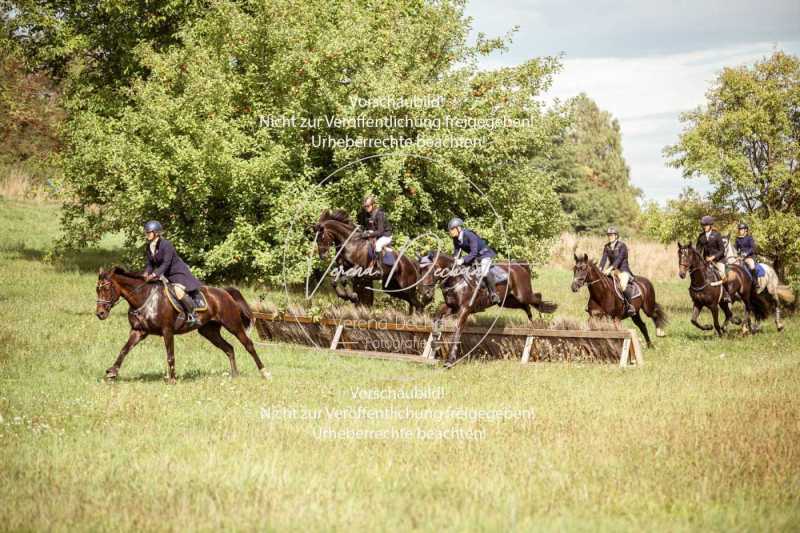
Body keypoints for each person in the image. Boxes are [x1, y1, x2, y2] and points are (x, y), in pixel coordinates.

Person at [143, 220, 203, 328]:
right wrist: (146, 273)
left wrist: (154, 274)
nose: (146, 234)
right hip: (166, 275)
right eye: (146, 232)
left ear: (156, 233)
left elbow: (166, 263)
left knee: (178, 291)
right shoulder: (149, 246)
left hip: (179, 273)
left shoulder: (166, 245)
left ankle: (193, 315)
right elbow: (150, 264)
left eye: (149, 232)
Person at [448, 217, 500, 305]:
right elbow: (457, 252)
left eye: (452, 229)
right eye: (450, 229)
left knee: (484, 272)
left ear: (458, 228)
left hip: (484, 254)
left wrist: (463, 260)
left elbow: (474, 252)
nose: (450, 231)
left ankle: (494, 294)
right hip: (475, 257)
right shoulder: (455, 239)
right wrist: (455, 260)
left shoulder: (469, 235)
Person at [598, 227, 635, 317]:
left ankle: (629, 306)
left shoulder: (622, 246)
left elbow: (619, 259)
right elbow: (603, 259)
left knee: (622, 286)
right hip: (612, 270)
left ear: (616, 236)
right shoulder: (606, 246)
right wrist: (600, 268)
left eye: (611, 235)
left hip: (623, 270)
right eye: (608, 235)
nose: (610, 237)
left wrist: (609, 269)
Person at [695, 215, 731, 302]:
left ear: (710, 225)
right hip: (706, 261)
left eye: (706, 225)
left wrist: (713, 257)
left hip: (718, 260)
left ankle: (726, 294)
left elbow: (722, 250)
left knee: (722, 275)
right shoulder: (701, 236)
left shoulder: (717, 235)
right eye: (703, 225)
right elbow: (698, 250)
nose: (704, 227)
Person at [357, 195, 392, 269]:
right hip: (375, 234)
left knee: (378, 245)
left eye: (368, 206)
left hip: (385, 236)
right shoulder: (367, 214)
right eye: (365, 206)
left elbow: (380, 231)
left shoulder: (379, 214)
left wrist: (368, 234)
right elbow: (365, 226)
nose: (366, 208)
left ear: (373, 205)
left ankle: (380, 267)